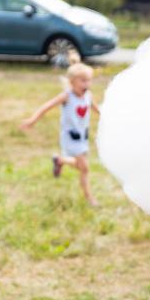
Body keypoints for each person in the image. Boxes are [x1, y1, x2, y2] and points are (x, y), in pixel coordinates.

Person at [20, 61, 100, 205]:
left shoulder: (88, 95)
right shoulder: (67, 96)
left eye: (89, 80)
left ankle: (59, 160)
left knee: (79, 165)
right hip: (70, 137)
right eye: (83, 81)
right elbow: (47, 106)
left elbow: (95, 108)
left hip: (83, 136)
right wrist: (32, 120)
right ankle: (90, 198)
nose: (87, 84)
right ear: (71, 82)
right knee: (85, 168)